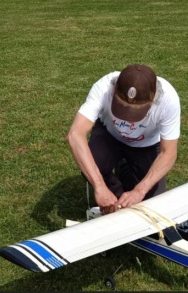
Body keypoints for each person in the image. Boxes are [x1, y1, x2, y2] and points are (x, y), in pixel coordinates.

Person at [66, 64, 181, 214]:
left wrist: (140, 191)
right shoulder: (103, 87)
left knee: (153, 204)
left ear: (155, 97)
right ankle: (114, 193)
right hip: (110, 135)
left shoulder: (169, 99)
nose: (130, 118)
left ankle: (125, 168)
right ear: (114, 88)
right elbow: (75, 134)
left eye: (136, 111)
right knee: (95, 163)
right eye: (122, 106)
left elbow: (168, 152)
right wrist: (100, 186)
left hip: (147, 144)